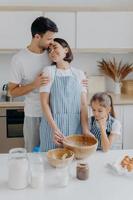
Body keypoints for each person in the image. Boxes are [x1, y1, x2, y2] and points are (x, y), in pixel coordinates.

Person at [8, 16, 58, 152]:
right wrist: (34, 84)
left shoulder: (51, 53)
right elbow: (11, 91)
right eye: (49, 39)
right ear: (37, 36)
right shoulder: (19, 59)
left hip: (54, 114)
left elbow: (65, 65)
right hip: (34, 115)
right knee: (33, 154)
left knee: (53, 153)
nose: (52, 42)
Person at [40, 38, 92, 152]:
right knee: (52, 162)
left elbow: (83, 104)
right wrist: (54, 129)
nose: (51, 52)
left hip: (75, 126)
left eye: (55, 47)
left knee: (74, 160)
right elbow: (44, 103)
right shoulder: (48, 71)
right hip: (53, 127)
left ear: (66, 50)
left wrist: (85, 129)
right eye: (49, 50)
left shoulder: (79, 73)